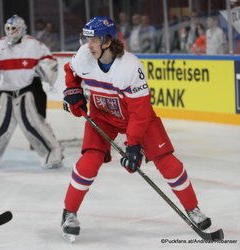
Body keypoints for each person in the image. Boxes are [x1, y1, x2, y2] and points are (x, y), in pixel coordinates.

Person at [61, 16, 212, 240]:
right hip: (103, 116)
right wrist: (72, 91)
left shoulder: (130, 67)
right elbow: (70, 72)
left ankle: (192, 208)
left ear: (107, 41)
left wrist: (134, 146)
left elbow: (140, 114)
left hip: (135, 117)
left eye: (93, 40)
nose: (88, 44)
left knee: (168, 162)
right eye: (87, 39)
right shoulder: (84, 56)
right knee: (89, 161)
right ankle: (69, 213)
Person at [0, 14, 63, 178]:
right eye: (8, 28)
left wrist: (44, 70)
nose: (11, 31)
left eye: (14, 28)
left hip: (27, 92)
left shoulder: (34, 45)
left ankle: (54, 156)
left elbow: (51, 61)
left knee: (33, 125)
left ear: (22, 29)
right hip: (7, 91)